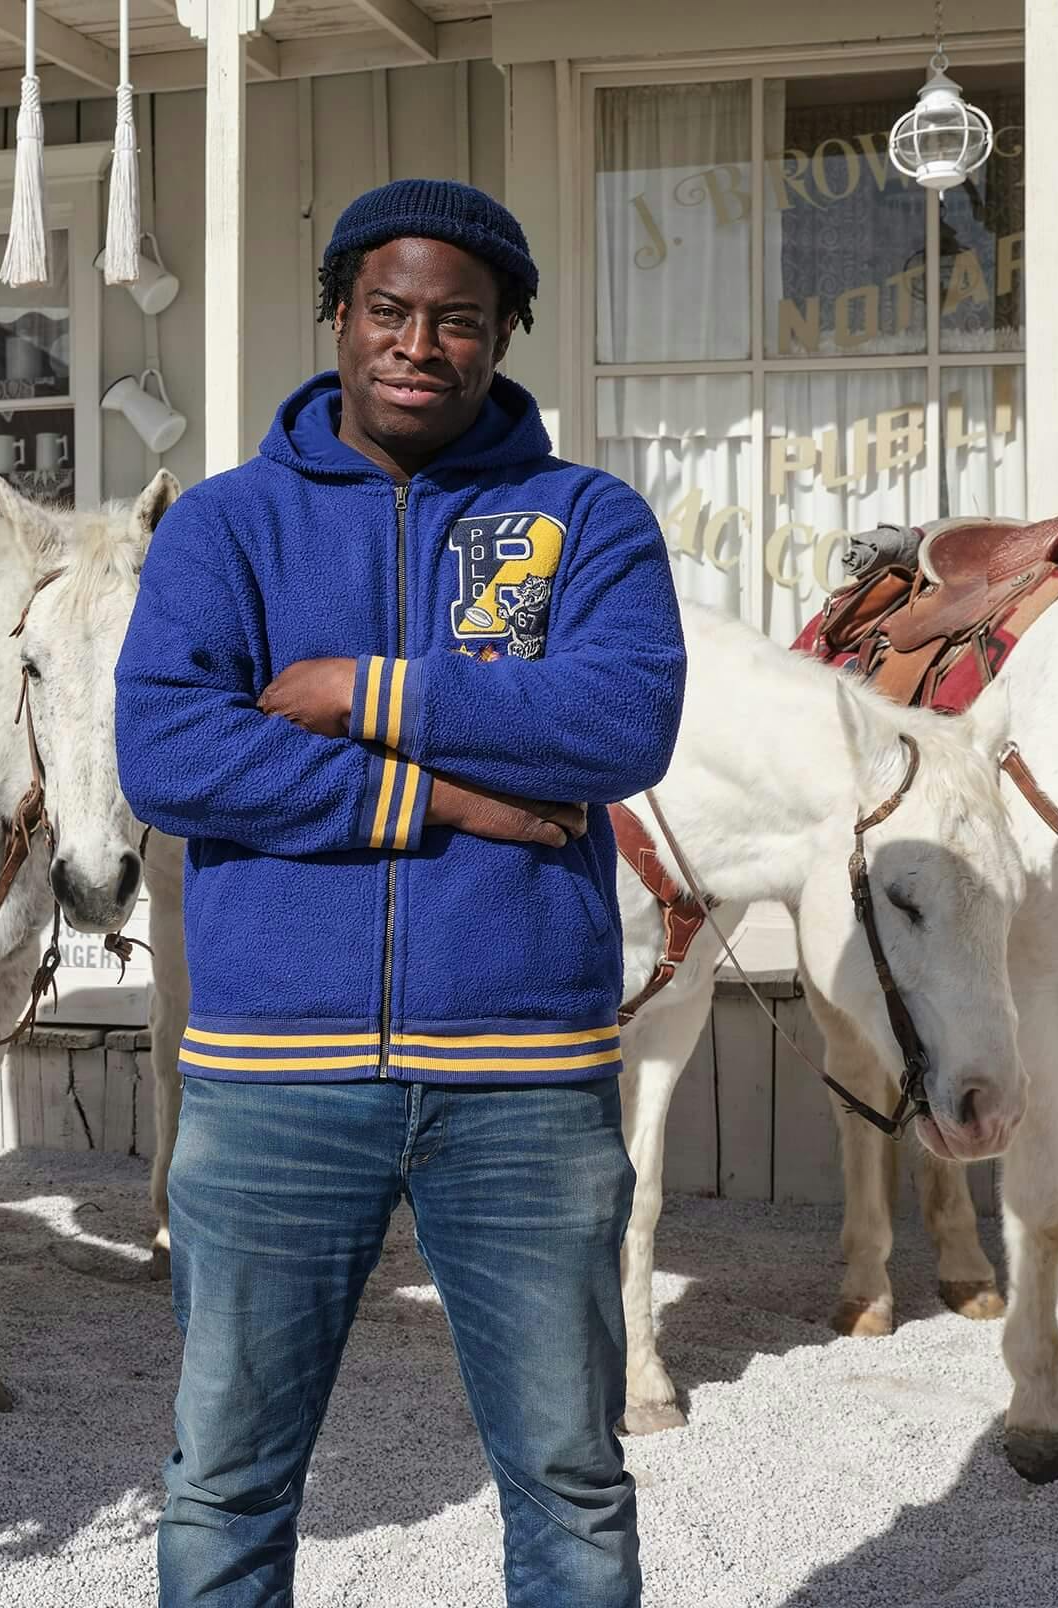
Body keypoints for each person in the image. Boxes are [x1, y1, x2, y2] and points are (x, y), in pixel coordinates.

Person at [115, 177, 687, 1608]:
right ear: (337, 315)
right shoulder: (227, 527)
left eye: (456, 321)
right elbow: (171, 753)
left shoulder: (583, 519)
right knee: (225, 1475)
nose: (416, 345)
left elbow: (619, 725)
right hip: (269, 1080)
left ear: (503, 336)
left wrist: (353, 692)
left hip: (525, 1081)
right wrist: (438, 793)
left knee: (569, 1474)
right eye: (388, 311)